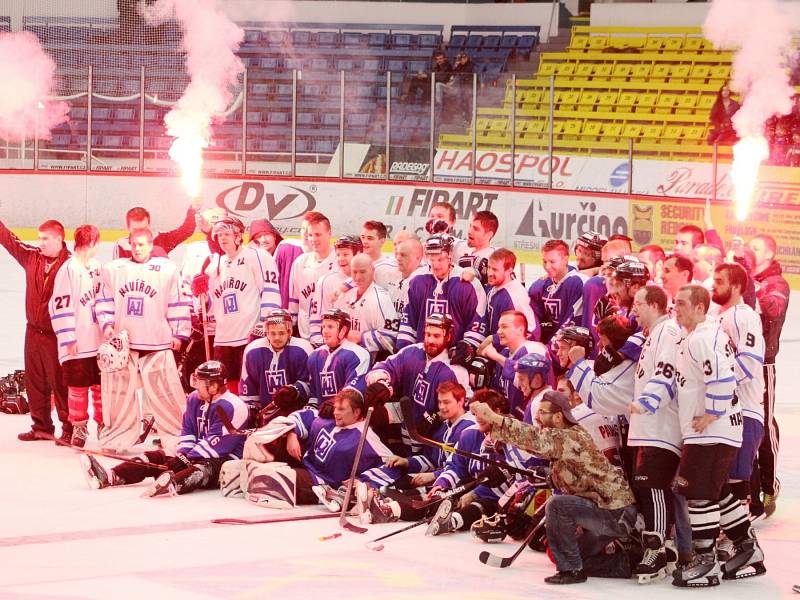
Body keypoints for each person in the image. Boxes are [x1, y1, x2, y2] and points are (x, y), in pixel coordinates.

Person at [471, 390, 637, 585]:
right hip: (610, 512)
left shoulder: (567, 436)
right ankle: (625, 563)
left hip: (614, 513)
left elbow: (533, 438)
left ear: (558, 417)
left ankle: (571, 571)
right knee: (570, 554)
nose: (537, 417)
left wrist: (493, 418)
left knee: (557, 505)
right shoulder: (567, 438)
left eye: (542, 412)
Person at [670, 285, 763, 587]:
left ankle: (705, 560)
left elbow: (723, 376)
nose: (676, 308)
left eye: (682, 303)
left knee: (698, 494)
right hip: (715, 430)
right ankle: (747, 547)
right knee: (715, 490)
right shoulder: (698, 336)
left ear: (700, 307)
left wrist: (711, 413)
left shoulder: (702, 337)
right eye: (675, 303)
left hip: (711, 431)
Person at [79, 360, 249, 497]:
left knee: (202, 469)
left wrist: (186, 460)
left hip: (225, 461)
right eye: (194, 380)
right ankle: (110, 476)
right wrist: (182, 455)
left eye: (200, 382)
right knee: (156, 456)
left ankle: (172, 483)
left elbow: (218, 445)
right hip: (196, 454)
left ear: (214, 386)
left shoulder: (234, 406)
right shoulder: (194, 399)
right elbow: (188, 430)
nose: (195, 385)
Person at [94, 228, 190, 453]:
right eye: (134, 244)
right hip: (123, 347)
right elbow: (104, 300)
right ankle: (116, 439)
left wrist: (178, 333)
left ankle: (178, 439)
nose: (137, 248)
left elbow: (177, 301)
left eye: (142, 244)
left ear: (150, 244)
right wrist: (107, 325)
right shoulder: (114, 269)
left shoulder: (166, 269)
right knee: (118, 397)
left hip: (157, 344)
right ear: (128, 244)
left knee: (167, 395)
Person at [247, 388, 394, 509]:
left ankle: (259, 474)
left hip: (322, 484)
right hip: (304, 466)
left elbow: (393, 464)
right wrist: (292, 433)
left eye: (341, 409)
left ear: (356, 412)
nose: (336, 412)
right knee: (280, 425)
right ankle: (260, 467)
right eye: (336, 408)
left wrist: (364, 481)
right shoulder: (328, 419)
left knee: (268, 476)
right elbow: (302, 415)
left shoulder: (366, 436)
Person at [0, 218, 72, 443]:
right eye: (39, 238)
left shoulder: (71, 265)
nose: (40, 243)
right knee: (35, 381)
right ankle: (41, 426)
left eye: (45, 239)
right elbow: (9, 240)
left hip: (57, 334)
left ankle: (69, 427)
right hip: (32, 331)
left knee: (60, 382)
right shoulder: (31, 256)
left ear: (59, 238)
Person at [192, 217, 281, 393]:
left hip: (249, 335)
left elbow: (271, 291)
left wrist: (264, 326)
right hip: (223, 338)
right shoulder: (215, 265)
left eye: (227, 234)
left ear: (239, 235)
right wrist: (200, 295)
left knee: (251, 389)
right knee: (223, 391)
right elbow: (209, 309)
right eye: (218, 235)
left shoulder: (257, 256)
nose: (222, 238)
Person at [366, 313, 471, 451]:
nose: (430, 340)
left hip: (433, 440)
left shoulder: (455, 370)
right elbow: (384, 367)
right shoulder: (412, 351)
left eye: (436, 336)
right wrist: (381, 382)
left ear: (448, 336)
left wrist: (438, 417)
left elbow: (465, 407)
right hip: (405, 422)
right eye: (427, 334)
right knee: (370, 410)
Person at [711, 264, 765, 526]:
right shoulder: (717, 316)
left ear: (735, 286)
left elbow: (750, 361)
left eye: (719, 281)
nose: (713, 285)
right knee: (718, 480)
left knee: (734, 482)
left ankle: (741, 544)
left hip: (743, 411)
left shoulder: (744, 316)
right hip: (725, 412)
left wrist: (719, 391)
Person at [426, 389, 512, 537]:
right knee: (439, 497)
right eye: (475, 414)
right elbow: (455, 466)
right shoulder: (470, 434)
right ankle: (392, 509)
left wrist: (475, 494)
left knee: (480, 506)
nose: (477, 418)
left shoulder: (512, 437)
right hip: (474, 488)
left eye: (482, 413)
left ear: (497, 412)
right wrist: (443, 483)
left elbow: (507, 478)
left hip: (498, 499)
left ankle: (451, 522)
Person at [49, 224, 104, 447]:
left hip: (99, 342)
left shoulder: (98, 267)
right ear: (92, 243)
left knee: (101, 388)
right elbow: (59, 305)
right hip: (78, 343)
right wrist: (68, 337)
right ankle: (79, 428)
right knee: (78, 388)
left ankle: (103, 425)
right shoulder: (68, 269)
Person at [748, 233, 789, 518]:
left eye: (756, 249)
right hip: (740, 362)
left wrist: (750, 286)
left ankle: (770, 484)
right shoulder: (746, 277)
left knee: (764, 421)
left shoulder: (777, 283)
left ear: (769, 255)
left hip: (763, 362)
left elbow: (773, 309)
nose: (750, 253)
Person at [396, 234, 487, 352]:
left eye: (440, 259)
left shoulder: (468, 284)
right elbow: (409, 321)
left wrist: (465, 349)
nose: (435, 265)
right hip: (423, 354)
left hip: (454, 357)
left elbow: (477, 323)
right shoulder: (417, 280)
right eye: (431, 260)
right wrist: (404, 350)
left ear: (450, 256)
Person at [239, 309, 313, 412]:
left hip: (295, 412)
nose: (277, 338)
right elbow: (249, 389)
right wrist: (252, 409)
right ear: (267, 333)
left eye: (281, 333)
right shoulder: (253, 351)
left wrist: (295, 390)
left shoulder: (303, 349)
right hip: (265, 412)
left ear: (290, 332)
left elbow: (311, 385)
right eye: (273, 333)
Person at [478, 310, 547, 419]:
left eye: (504, 327)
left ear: (520, 330)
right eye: (499, 327)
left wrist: (495, 356)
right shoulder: (505, 353)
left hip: (536, 418)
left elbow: (529, 382)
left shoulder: (532, 348)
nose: (499, 331)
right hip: (513, 422)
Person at [334, 253, 398, 359]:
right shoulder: (346, 296)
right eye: (354, 272)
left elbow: (390, 337)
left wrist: (362, 338)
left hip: (368, 361)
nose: (358, 277)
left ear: (373, 271)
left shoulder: (381, 299)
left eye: (363, 272)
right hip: (343, 357)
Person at [307, 308, 370, 413]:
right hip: (322, 414)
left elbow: (353, 393)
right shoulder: (314, 356)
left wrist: (334, 405)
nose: (325, 331)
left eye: (330, 327)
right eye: (323, 327)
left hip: (347, 415)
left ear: (343, 330)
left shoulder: (359, 355)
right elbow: (314, 395)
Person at [288, 211, 337, 339]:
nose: (313, 239)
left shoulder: (340, 261)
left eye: (318, 234)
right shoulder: (300, 262)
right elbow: (294, 300)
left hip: (333, 335)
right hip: (305, 332)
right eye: (310, 235)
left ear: (329, 234)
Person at [309, 235, 362, 347]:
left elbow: (367, 272)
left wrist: (344, 286)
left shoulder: (367, 280)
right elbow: (316, 320)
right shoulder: (326, 281)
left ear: (358, 255)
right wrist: (321, 346)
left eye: (345, 254)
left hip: (360, 347)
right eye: (338, 255)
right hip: (332, 347)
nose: (341, 259)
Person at [528, 239, 584, 345]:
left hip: (567, 346)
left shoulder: (577, 283)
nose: (547, 267)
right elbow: (532, 320)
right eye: (544, 262)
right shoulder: (540, 285)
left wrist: (550, 349)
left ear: (565, 259)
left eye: (552, 262)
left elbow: (572, 323)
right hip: (546, 345)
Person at [248, 218, 303, 310]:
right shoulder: (253, 264)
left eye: (266, 234)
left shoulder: (286, 250)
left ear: (274, 236)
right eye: (258, 236)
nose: (263, 239)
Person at [483, 248, 538, 340]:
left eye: (495, 269)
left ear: (509, 270)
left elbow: (524, 335)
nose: (489, 273)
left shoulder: (513, 296)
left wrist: (493, 341)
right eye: (489, 267)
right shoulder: (495, 285)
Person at [112, 202, 199, 260]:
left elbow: (186, 230)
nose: (140, 234)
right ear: (128, 227)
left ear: (149, 225)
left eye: (143, 229)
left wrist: (193, 210)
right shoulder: (122, 246)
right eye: (135, 230)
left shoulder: (161, 240)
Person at [383, 236, 426, 320]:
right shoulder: (390, 274)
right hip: (391, 328)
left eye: (403, 255)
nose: (398, 258)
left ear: (417, 258)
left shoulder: (423, 281)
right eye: (397, 254)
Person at [457, 210, 498, 285]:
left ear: (489, 235)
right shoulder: (460, 247)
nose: (469, 231)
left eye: (476, 229)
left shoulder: (494, 258)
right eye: (470, 226)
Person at [359, 220, 395, 288]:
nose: (364, 241)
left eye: (370, 238)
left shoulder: (389, 268)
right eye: (363, 237)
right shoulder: (354, 262)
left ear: (382, 241)